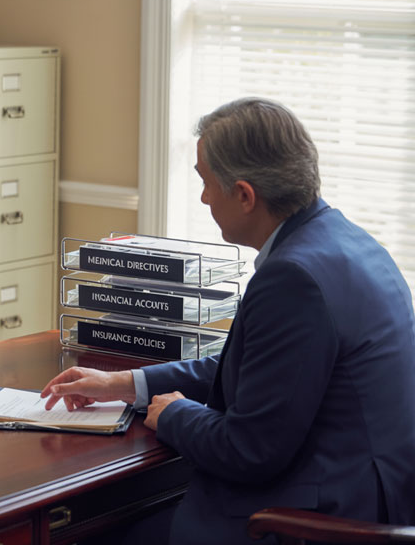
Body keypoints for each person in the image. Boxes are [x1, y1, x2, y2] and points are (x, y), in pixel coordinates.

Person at [42, 98, 415, 544]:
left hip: (317, 518)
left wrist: (177, 414)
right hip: (371, 492)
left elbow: (250, 451)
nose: (203, 197)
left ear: (244, 194)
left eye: (205, 181)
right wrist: (125, 384)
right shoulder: (349, 241)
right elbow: (256, 369)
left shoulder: (293, 278)